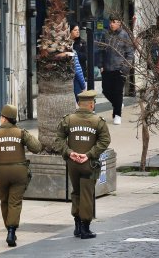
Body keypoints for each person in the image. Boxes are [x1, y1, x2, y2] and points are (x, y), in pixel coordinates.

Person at [0, 104, 42, 247]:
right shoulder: (21, 133)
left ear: (4, 118)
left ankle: (9, 228)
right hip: (19, 172)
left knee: (4, 201)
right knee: (15, 202)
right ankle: (12, 232)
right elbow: (37, 147)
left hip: (1, 173)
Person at [54, 90, 111, 239]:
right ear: (91, 104)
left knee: (76, 192)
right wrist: (89, 154)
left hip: (72, 164)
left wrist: (70, 152)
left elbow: (58, 139)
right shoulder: (98, 121)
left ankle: (77, 225)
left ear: (79, 104)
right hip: (89, 164)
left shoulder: (68, 120)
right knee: (87, 194)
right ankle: (85, 228)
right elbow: (104, 141)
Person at [99, 15, 134, 125]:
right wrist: (101, 65)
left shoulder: (125, 35)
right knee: (106, 90)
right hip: (107, 68)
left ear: (119, 23)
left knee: (118, 92)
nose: (111, 24)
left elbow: (130, 54)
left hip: (119, 69)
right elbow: (101, 50)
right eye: (110, 22)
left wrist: (125, 68)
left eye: (114, 22)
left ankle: (117, 115)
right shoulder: (106, 34)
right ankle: (118, 104)